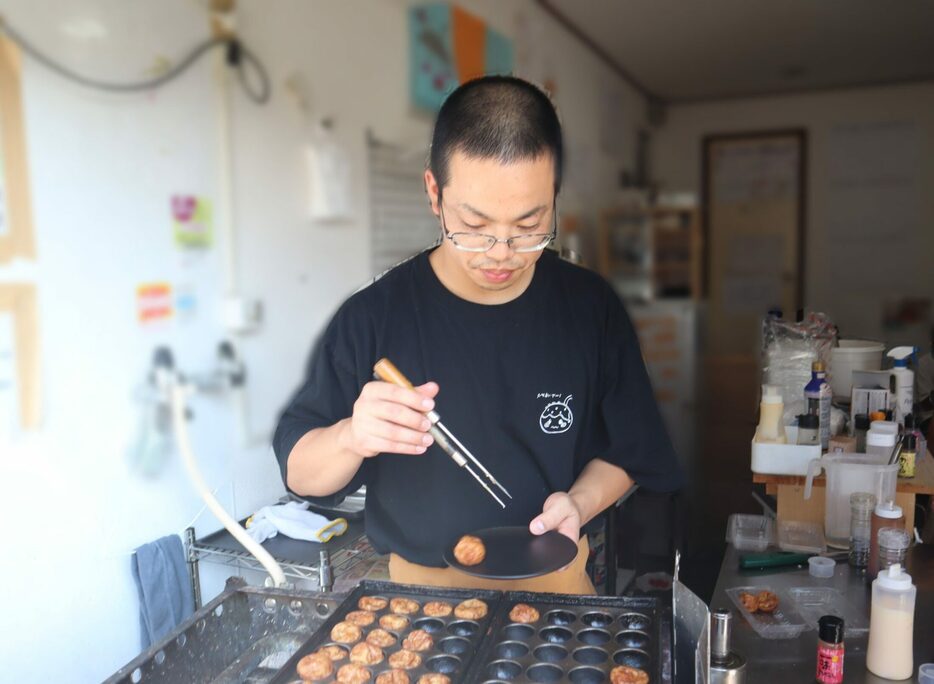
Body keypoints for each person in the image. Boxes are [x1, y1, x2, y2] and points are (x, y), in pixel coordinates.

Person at [273, 75, 683, 594]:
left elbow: (632, 448)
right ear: (434, 195)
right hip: (420, 598)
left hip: (557, 586)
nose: (501, 251)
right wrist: (353, 435)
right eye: (475, 224)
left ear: (554, 198)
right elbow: (300, 472)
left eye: (530, 224)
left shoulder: (589, 308)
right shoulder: (373, 317)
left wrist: (578, 503)